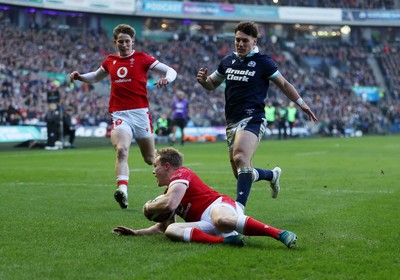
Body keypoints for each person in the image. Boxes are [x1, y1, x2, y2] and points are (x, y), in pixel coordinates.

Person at [196, 21, 317, 208]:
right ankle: (272, 175)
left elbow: (284, 84)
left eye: (245, 40)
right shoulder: (227, 61)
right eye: (237, 40)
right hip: (232, 122)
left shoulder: (263, 62)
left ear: (254, 41)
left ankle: (238, 211)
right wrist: (203, 82)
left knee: (241, 158)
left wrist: (301, 104)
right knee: (241, 172)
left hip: (253, 118)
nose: (240, 44)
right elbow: (212, 84)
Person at [70, 24, 177, 209]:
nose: (124, 45)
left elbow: (171, 70)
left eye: (127, 41)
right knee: (121, 150)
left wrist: (167, 79)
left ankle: (176, 183)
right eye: (121, 42)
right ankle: (122, 190)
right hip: (120, 113)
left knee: (151, 159)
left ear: (132, 42)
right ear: (115, 42)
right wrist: (80, 77)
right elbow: (96, 77)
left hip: (141, 114)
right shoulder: (110, 60)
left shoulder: (142, 58)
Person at [113, 147, 298, 249]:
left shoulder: (181, 174)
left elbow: (171, 203)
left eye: (155, 166)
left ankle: (279, 233)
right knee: (172, 230)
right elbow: (162, 228)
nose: (154, 171)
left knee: (221, 220)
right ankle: (226, 241)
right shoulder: (170, 190)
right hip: (205, 225)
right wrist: (136, 232)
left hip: (219, 206)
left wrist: (148, 207)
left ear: (167, 166)